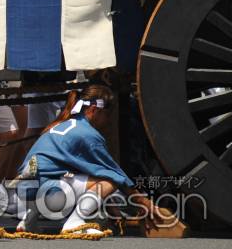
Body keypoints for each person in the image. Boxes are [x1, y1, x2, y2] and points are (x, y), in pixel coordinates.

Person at [15, 84, 166, 237]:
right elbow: (115, 175)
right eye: (108, 115)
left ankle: (29, 221)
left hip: (24, 193)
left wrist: (111, 204)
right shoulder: (89, 135)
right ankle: (75, 222)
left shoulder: (60, 125)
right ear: (94, 110)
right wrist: (144, 202)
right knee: (110, 182)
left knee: (44, 173)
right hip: (51, 196)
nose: (108, 121)